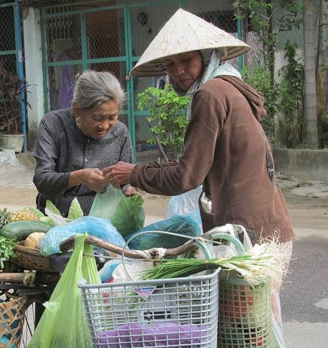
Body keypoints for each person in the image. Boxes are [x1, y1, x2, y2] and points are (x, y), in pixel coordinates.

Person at [103, 8, 295, 332]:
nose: (179, 72)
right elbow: (198, 164)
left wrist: (134, 173)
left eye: (187, 61)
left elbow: (186, 176)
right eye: (171, 64)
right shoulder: (232, 87)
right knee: (258, 330)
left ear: (207, 56)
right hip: (269, 230)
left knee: (246, 332)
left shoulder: (210, 94)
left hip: (247, 237)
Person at [32, 70, 136, 217]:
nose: (105, 126)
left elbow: (127, 178)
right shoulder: (52, 125)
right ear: (77, 109)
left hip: (101, 222)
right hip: (54, 219)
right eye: (97, 118)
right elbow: (42, 180)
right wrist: (78, 177)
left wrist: (128, 188)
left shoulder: (120, 132)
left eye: (112, 117)